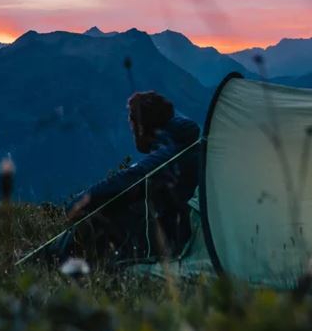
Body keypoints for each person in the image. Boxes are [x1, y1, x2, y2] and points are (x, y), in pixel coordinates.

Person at [51, 90, 201, 266]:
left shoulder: (170, 149)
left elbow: (132, 179)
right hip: (181, 230)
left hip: (172, 240)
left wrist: (78, 203)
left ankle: (53, 260)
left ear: (141, 127)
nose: (132, 133)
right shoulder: (180, 142)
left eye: (132, 125)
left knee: (103, 219)